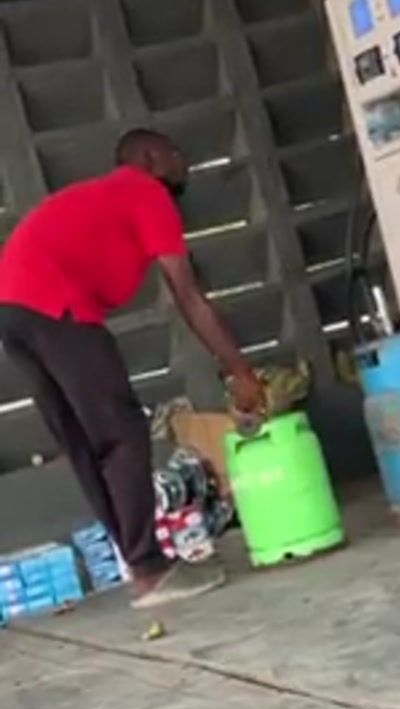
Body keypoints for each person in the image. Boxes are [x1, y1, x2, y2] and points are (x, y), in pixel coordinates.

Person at [0, 129, 265, 608]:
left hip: (13, 306)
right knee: (122, 432)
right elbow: (188, 296)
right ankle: (148, 568)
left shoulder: (107, 197)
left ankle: (141, 566)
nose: (184, 163)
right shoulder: (146, 191)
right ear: (149, 157)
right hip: (53, 301)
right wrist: (240, 372)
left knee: (84, 443)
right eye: (175, 153)